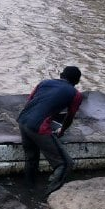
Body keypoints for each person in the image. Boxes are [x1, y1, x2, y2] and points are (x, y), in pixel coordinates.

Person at [17, 66, 84, 197]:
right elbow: (69, 117)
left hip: (22, 120)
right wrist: (62, 130)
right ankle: (49, 195)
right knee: (65, 164)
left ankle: (29, 189)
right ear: (77, 82)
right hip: (39, 127)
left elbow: (31, 100)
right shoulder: (76, 94)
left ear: (60, 75)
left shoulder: (44, 83)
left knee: (31, 158)